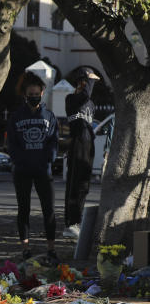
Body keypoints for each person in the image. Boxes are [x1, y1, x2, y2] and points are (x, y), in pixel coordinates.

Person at [7, 71, 59, 263]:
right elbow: (11, 143)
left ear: (42, 93)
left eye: (37, 93)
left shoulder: (50, 116)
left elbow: (53, 141)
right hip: (22, 171)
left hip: (43, 170)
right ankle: (25, 248)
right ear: (25, 94)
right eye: (31, 93)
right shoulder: (15, 117)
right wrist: (20, 161)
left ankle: (51, 248)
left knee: (49, 210)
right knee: (24, 209)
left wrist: (48, 160)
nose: (34, 96)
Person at [63, 69, 100, 239]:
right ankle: (71, 222)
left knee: (84, 186)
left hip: (88, 146)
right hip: (77, 144)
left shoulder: (90, 104)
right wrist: (89, 80)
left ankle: (77, 222)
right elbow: (83, 97)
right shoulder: (71, 99)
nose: (86, 86)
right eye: (85, 82)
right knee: (74, 183)